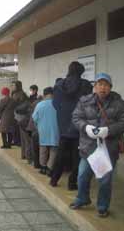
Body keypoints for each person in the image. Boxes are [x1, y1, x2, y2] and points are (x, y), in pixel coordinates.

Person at [70, 73, 124, 217]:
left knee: (104, 181)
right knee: (82, 176)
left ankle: (102, 206)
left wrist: (108, 130)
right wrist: (86, 127)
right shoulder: (84, 101)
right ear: (95, 86)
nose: (103, 88)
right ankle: (82, 198)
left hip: (108, 149)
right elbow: (76, 117)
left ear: (110, 87)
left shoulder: (119, 103)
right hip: (88, 147)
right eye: (100, 84)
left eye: (106, 85)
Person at [50, 61, 93, 190]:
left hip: (63, 124)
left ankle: (54, 179)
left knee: (61, 153)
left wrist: (63, 113)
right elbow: (89, 104)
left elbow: (55, 104)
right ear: (81, 71)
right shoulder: (86, 85)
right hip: (80, 125)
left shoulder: (58, 85)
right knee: (77, 156)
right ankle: (72, 183)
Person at [32, 87, 59, 176]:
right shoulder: (58, 104)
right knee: (54, 150)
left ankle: (42, 167)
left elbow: (34, 118)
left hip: (42, 129)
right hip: (55, 129)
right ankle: (49, 168)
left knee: (43, 149)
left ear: (44, 94)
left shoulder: (40, 105)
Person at [12, 80, 32, 162]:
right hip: (20, 117)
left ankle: (25, 155)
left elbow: (16, 105)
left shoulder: (18, 94)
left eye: (13, 85)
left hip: (21, 117)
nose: (12, 86)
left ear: (17, 86)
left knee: (24, 137)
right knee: (23, 137)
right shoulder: (21, 94)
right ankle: (25, 155)